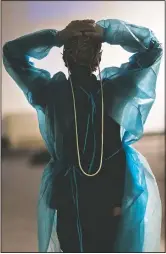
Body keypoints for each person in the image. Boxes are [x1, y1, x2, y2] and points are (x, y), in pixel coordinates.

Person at [3, 19, 162, 252]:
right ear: (99, 58)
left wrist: (56, 37)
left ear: (65, 58)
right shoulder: (116, 91)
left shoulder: (51, 93)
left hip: (74, 201)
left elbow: (12, 53)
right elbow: (153, 49)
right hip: (104, 201)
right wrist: (108, 32)